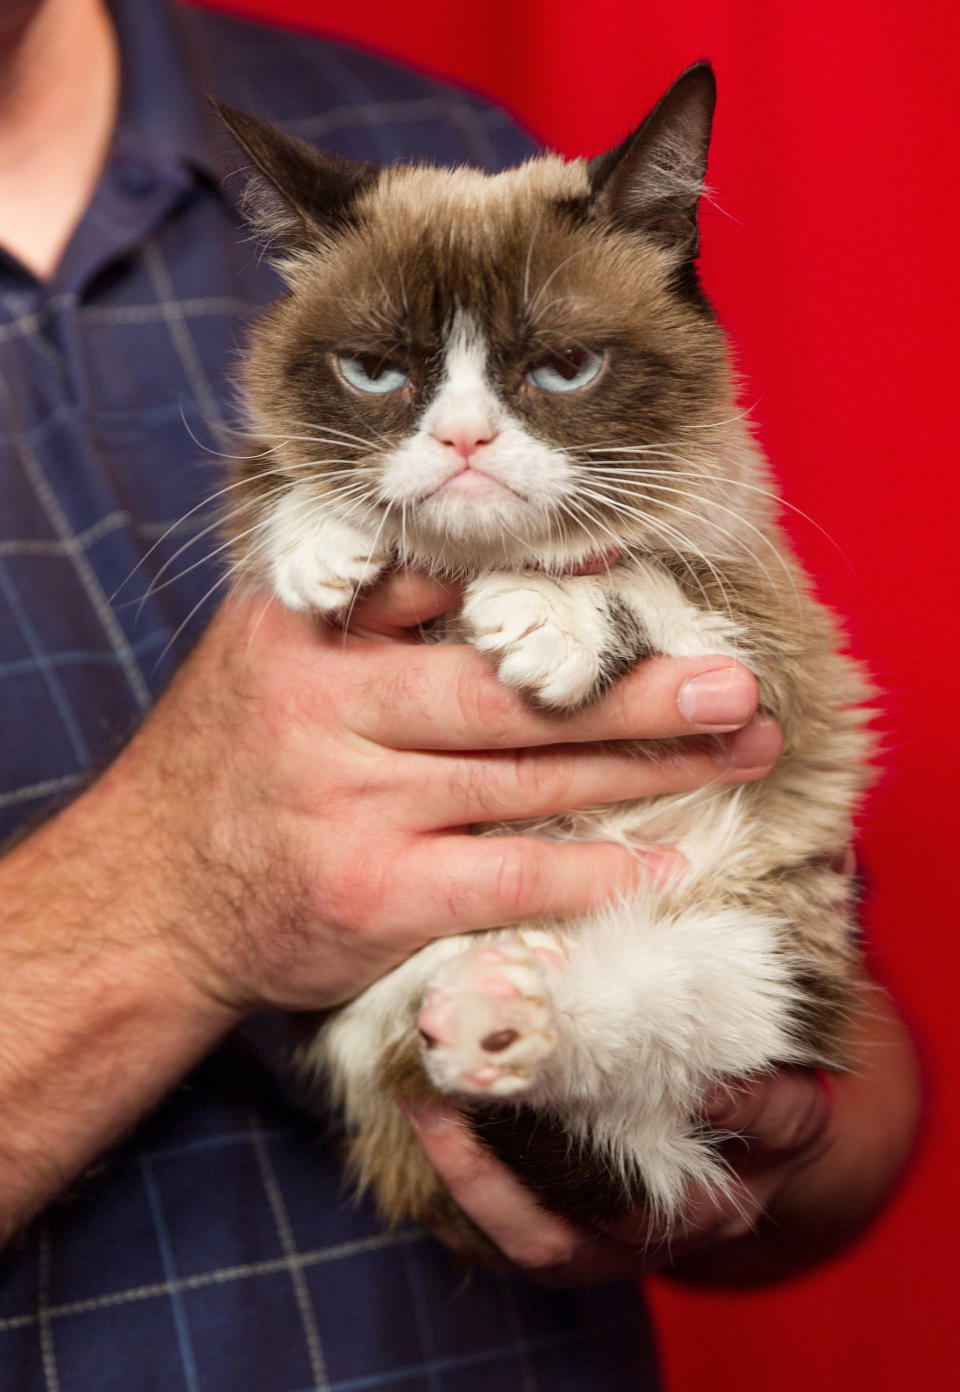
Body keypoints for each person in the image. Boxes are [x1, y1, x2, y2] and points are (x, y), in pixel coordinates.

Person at [0, 0, 920, 1387]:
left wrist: (747, 1137)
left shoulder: (443, 150)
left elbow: (844, 1126)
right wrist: (173, 897)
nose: (467, 432)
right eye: (384, 376)